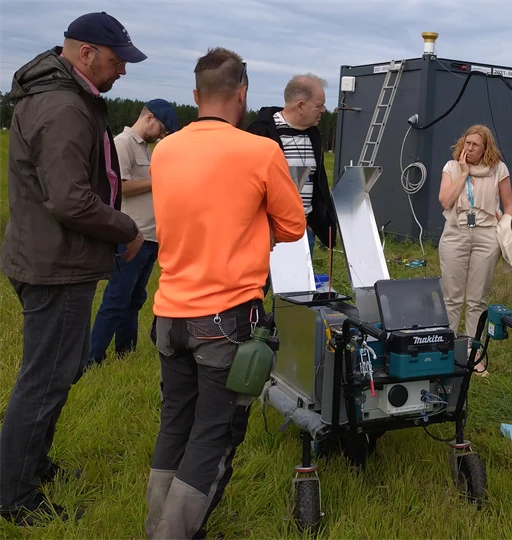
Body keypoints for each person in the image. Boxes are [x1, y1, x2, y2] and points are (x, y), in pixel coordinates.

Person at [144, 47, 306, 540]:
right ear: (242, 94)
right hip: (225, 321)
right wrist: (253, 227)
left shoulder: (164, 150)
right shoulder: (260, 151)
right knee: (213, 436)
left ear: (195, 96)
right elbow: (294, 226)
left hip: (168, 315)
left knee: (175, 423)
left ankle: (157, 525)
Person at [0, 11, 147, 525]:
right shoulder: (63, 105)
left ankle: (31, 465)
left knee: (53, 374)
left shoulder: (63, 95)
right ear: (85, 53)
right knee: (45, 379)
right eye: (116, 60)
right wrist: (126, 229)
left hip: (52, 255)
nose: (122, 72)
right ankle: (16, 497)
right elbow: (69, 199)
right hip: (54, 263)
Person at [87, 99, 179, 369]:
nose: (162, 134)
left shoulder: (148, 150)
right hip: (131, 236)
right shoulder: (122, 143)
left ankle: (125, 352)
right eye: (161, 127)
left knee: (134, 300)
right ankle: (92, 358)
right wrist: (160, 179)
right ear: (149, 117)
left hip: (151, 237)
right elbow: (121, 187)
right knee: (116, 299)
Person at [438, 125, 512, 375]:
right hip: (456, 232)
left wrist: (505, 231)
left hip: (485, 235)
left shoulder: (498, 170)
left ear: (486, 149)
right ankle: (447, 352)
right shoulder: (451, 167)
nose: (469, 148)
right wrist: (463, 173)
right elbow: (445, 200)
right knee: (451, 296)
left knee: (476, 299)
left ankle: (473, 354)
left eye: (475, 145)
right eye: (467, 143)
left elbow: (509, 205)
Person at [247, 73, 337, 259]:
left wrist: (313, 221)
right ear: (301, 105)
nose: (323, 111)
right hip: (268, 234)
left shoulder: (314, 134)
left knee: (300, 287)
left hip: (304, 231)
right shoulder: (260, 133)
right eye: (319, 106)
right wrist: (266, 226)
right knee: (260, 287)